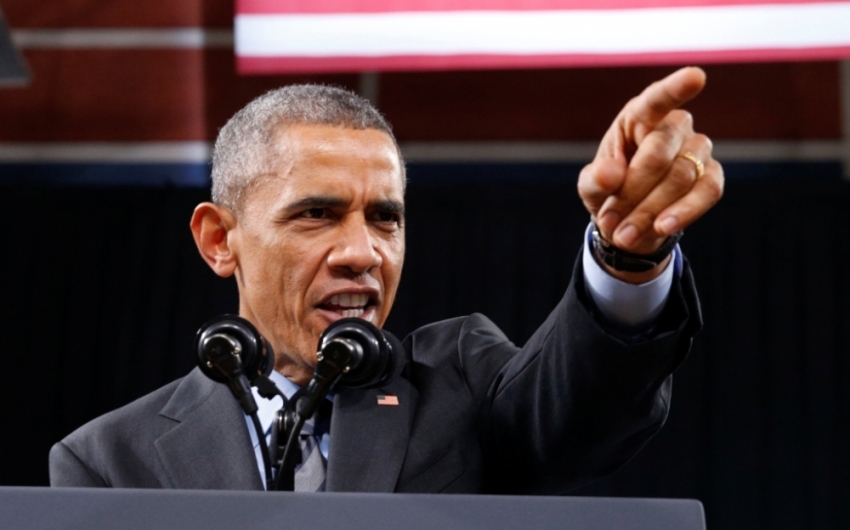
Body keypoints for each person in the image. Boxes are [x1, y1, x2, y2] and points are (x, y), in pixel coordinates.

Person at [49, 67, 722, 494]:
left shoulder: (460, 383)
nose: (362, 252)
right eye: (316, 215)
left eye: (385, 219)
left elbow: (576, 413)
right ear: (219, 240)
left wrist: (626, 257)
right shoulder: (108, 460)